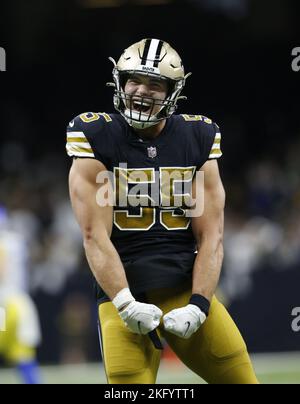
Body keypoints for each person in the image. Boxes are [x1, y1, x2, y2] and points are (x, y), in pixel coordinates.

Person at [67, 38, 258, 384]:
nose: (142, 91)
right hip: (123, 292)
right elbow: (94, 236)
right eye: (134, 80)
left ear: (174, 91)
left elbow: (211, 235)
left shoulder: (197, 135)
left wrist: (199, 305)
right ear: (119, 82)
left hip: (183, 287)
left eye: (156, 84)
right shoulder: (96, 134)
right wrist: (125, 303)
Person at [0, 206, 42, 384]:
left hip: (4, 306)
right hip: (20, 301)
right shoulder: (16, 240)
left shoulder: (4, 242)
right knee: (24, 354)